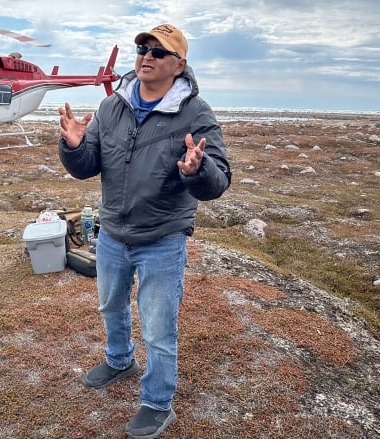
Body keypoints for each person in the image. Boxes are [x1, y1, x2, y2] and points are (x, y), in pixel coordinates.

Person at [58, 24, 231, 438]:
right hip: (113, 232)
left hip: (162, 238)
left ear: (180, 65)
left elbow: (219, 179)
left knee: (157, 327)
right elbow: (87, 168)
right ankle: (119, 360)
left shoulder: (196, 112)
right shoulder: (112, 107)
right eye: (142, 48)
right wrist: (75, 146)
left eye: (159, 51)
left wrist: (197, 169)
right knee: (110, 307)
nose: (147, 56)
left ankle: (157, 402)